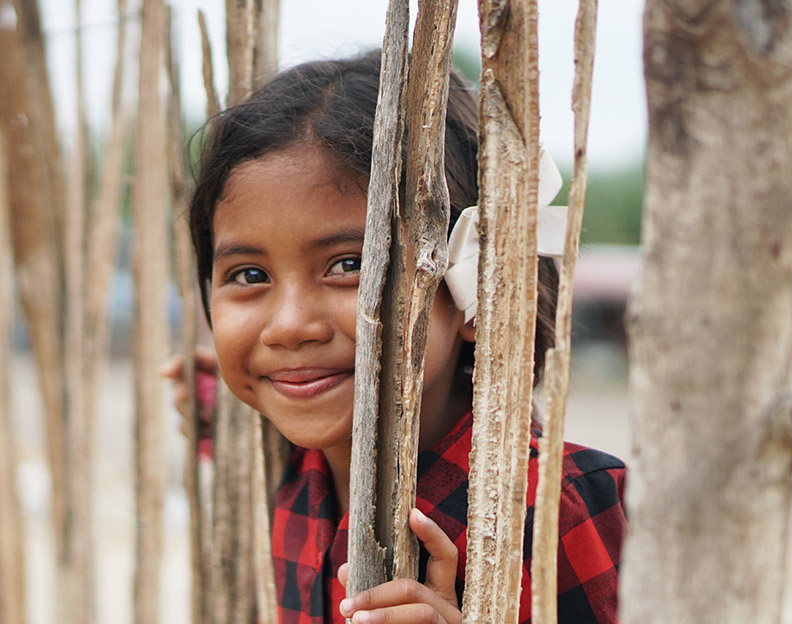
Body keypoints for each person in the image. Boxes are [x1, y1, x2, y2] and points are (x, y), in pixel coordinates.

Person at [164, 49, 626, 624]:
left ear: (473, 285)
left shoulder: (558, 508)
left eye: (349, 264)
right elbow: (241, 433)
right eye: (249, 276)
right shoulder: (286, 465)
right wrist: (211, 404)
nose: (288, 327)